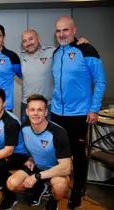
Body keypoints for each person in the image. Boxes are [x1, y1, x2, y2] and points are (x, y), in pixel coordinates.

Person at [51, 16, 106, 209]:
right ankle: (57, 188)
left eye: (65, 30)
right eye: (58, 30)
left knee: (78, 154)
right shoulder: (57, 52)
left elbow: (100, 81)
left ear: (74, 30)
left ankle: (77, 191)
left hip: (79, 114)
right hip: (57, 113)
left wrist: (94, 108)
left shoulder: (87, 50)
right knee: (57, 153)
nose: (61, 34)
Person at [7, 94, 72, 210]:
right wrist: (30, 158)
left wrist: (36, 177)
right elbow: (32, 149)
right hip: (37, 166)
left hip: (55, 170)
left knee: (59, 186)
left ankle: (53, 200)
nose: (35, 113)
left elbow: (66, 167)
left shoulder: (58, 132)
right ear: (27, 111)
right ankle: (39, 188)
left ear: (46, 112)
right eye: (32, 109)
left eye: (40, 110)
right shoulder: (24, 128)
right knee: (11, 184)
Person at [19, 29, 89, 123]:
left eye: (31, 39)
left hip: (48, 105)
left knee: (50, 136)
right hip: (27, 105)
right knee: (26, 135)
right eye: (24, 41)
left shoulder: (52, 52)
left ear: (38, 39)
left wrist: (79, 43)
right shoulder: (18, 57)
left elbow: (68, 49)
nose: (28, 43)